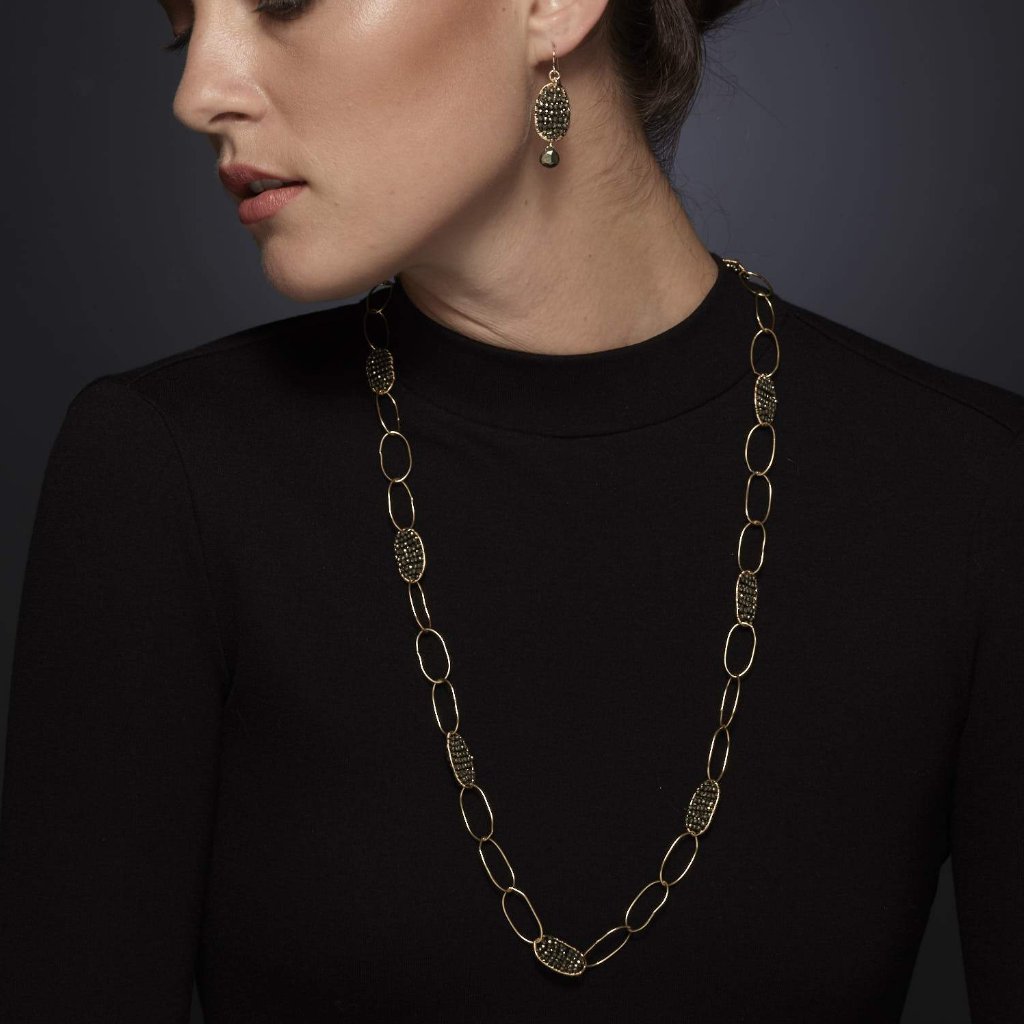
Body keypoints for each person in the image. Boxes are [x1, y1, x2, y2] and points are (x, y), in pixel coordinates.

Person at [0, 0, 1021, 1021]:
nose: (197, 95)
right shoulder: (164, 470)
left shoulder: (974, 491)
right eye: (187, 28)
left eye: (283, 3)